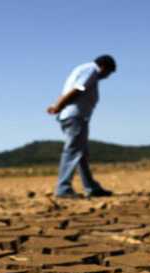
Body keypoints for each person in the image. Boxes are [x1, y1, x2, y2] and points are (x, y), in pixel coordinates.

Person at [47, 55, 116, 198]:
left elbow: (69, 90)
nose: (107, 77)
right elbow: (77, 89)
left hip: (73, 116)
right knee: (72, 151)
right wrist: (58, 106)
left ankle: (91, 187)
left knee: (81, 154)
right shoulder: (91, 70)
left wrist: (57, 105)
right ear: (104, 66)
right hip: (75, 117)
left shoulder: (83, 69)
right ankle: (63, 188)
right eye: (108, 73)